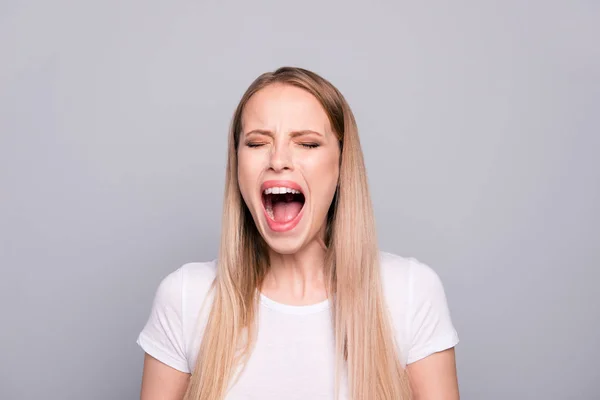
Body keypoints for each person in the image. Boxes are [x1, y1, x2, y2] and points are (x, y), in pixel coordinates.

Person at [137, 67, 460, 400]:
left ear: (341, 164)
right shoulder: (186, 298)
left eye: (306, 143)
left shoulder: (409, 293)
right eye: (257, 143)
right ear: (237, 165)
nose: (278, 160)